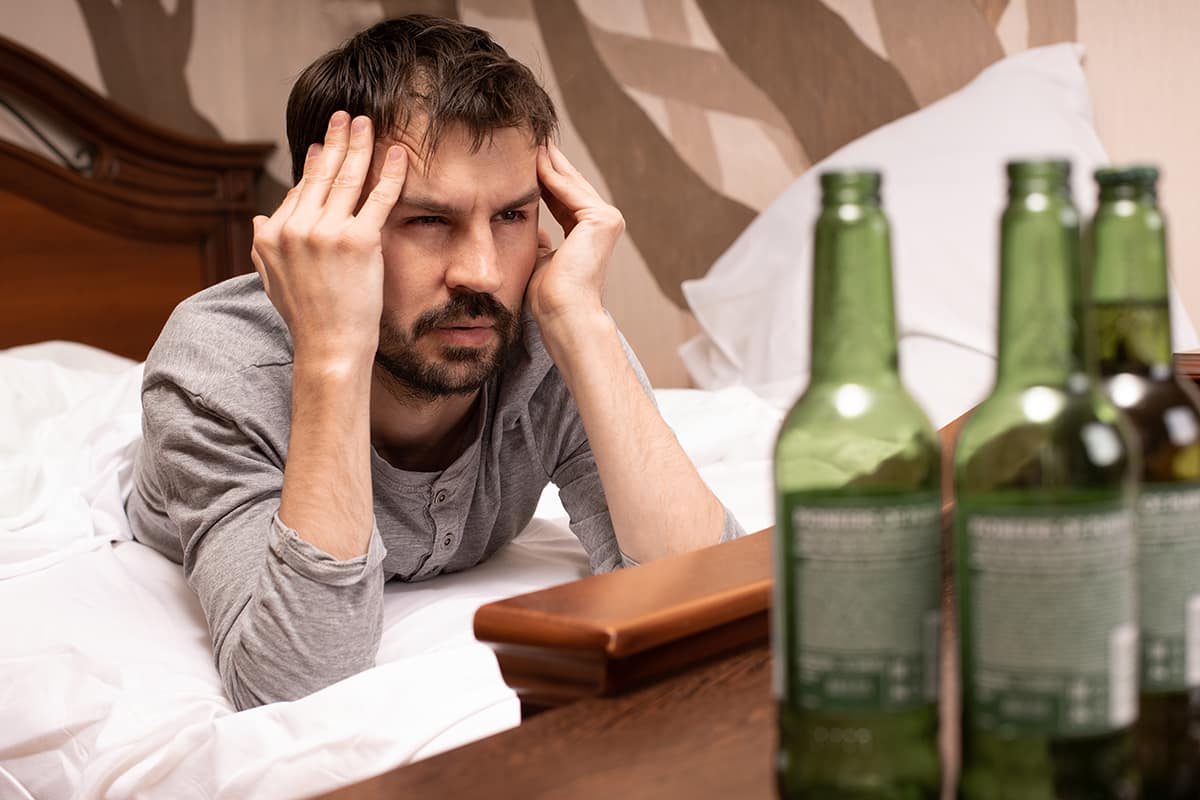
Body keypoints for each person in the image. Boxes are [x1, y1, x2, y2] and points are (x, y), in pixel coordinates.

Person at [125, 14, 744, 711]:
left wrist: (582, 322)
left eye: (513, 216)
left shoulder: (549, 328)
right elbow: (291, 682)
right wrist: (333, 355)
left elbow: (709, 596)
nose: (483, 274)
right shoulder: (218, 372)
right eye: (426, 221)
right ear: (327, 221)